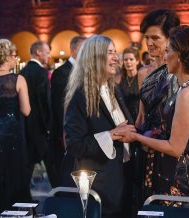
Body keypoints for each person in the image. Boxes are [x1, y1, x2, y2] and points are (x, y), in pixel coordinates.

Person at [118, 25, 189, 218]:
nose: (165, 57)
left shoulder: (187, 94)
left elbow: (175, 148)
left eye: (169, 51)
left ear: (179, 55)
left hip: (178, 179)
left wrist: (137, 137)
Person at [64, 35, 137, 218]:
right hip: (100, 188)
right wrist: (110, 135)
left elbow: (125, 127)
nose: (116, 58)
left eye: (115, 53)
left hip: (124, 179)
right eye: (110, 53)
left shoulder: (114, 89)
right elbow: (74, 145)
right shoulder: (80, 96)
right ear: (94, 57)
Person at [135, 8, 180, 201]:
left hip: (174, 151)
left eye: (155, 38)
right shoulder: (143, 73)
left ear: (170, 38)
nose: (149, 43)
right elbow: (141, 116)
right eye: (147, 37)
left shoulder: (180, 71)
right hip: (148, 149)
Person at [0, 39, 31, 218]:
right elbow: (26, 111)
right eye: (14, 55)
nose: (15, 59)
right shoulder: (18, 79)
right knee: (12, 174)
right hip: (11, 137)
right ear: (6, 57)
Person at [50, 36, 86, 187]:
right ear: (74, 50)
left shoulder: (81, 70)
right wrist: (63, 134)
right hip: (64, 132)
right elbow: (60, 106)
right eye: (83, 49)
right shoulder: (61, 72)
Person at [20, 40, 51, 198]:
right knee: (52, 166)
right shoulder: (40, 72)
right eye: (47, 52)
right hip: (39, 128)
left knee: (27, 166)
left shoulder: (24, 71)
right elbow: (45, 102)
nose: (49, 55)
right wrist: (49, 126)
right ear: (38, 52)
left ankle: (24, 198)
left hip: (25, 126)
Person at [118, 47, 141, 214]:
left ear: (137, 61)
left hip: (140, 122)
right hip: (125, 122)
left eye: (131, 59)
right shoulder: (120, 79)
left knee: (139, 165)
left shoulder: (142, 76)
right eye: (125, 59)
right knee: (127, 164)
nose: (128, 62)